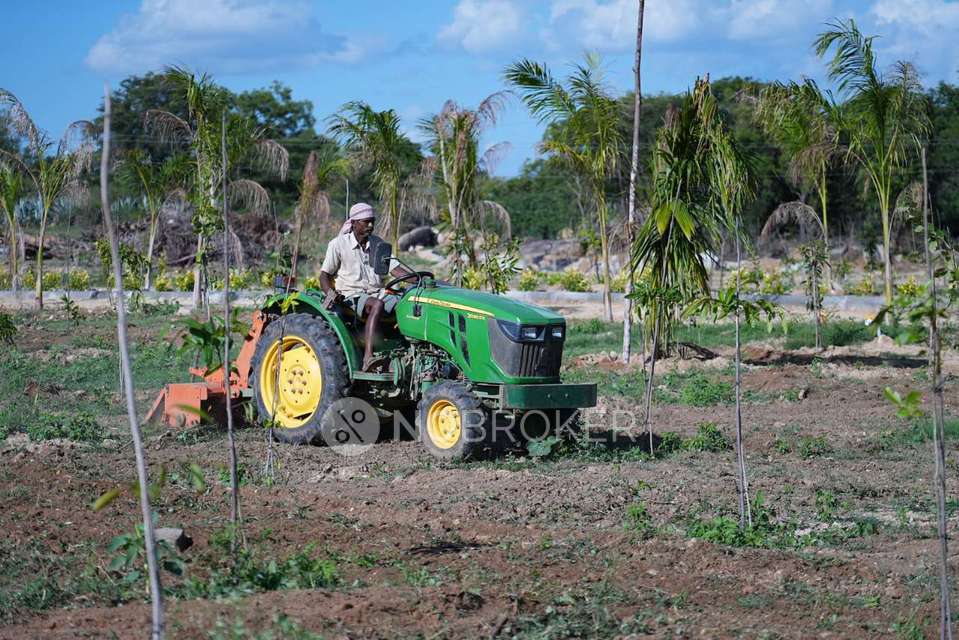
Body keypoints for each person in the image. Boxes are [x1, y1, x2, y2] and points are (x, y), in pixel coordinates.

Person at [319, 203, 410, 372]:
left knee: (409, 303)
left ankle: (405, 352)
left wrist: (419, 279)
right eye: (366, 222)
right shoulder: (338, 244)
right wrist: (330, 293)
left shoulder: (378, 244)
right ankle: (368, 357)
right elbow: (324, 275)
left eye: (372, 222)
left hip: (377, 293)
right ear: (353, 223)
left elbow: (395, 268)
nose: (370, 226)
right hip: (350, 296)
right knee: (377, 305)